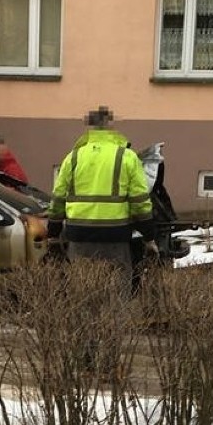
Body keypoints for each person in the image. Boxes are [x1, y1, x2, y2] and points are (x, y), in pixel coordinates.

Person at [47, 106, 156, 289]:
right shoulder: (126, 156)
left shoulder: (73, 157)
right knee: (117, 290)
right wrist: (149, 236)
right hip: (115, 235)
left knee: (82, 291)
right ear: (111, 126)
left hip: (78, 234)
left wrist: (53, 233)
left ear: (89, 127)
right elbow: (140, 203)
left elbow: (58, 199)